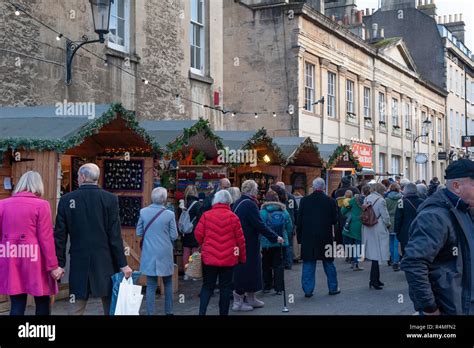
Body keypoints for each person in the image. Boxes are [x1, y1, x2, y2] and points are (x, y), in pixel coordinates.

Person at [55, 164, 132, 315]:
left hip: (79, 259)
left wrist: (59, 263)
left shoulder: (66, 200)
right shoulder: (110, 199)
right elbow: (115, 235)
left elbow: (60, 236)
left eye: (78, 176)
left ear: (82, 177)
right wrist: (123, 264)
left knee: (76, 305)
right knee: (110, 305)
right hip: (105, 260)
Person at [401, 159, 474, 315]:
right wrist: (429, 308)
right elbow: (414, 263)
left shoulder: (464, 208)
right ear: (456, 186)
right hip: (450, 307)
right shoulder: (435, 216)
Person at [0, 171, 63, 316]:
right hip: (35, 260)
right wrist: (53, 266)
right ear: (38, 185)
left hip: (11, 257)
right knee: (42, 301)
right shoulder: (41, 205)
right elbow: (46, 238)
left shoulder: (2, 204)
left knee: (16, 303)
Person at [232, 180, 283, 311]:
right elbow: (259, 224)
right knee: (247, 269)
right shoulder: (250, 204)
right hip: (247, 242)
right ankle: (238, 302)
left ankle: (251, 298)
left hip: (241, 241)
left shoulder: (238, 202)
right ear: (252, 190)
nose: (257, 190)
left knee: (250, 269)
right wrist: (275, 237)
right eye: (256, 188)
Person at [195, 190, 246, 316]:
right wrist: (241, 257)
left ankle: (202, 313)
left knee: (207, 286)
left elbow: (198, 235)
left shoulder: (207, 215)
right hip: (229, 259)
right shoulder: (233, 217)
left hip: (209, 258)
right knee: (225, 288)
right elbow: (240, 241)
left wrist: (205, 243)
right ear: (229, 201)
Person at [136, 187, 178, 315]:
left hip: (149, 252)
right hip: (165, 252)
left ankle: (150, 312)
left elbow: (139, 232)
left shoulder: (143, 212)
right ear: (164, 199)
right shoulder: (170, 214)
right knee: (168, 283)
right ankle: (169, 311)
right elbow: (174, 236)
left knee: (151, 285)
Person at [297, 178, 340, 298]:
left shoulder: (304, 201)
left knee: (309, 263)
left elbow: (299, 221)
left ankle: (308, 290)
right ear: (324, 187)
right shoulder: (330, 201)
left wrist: (300, 239)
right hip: (325, 236)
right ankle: (333, 287)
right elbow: (334, 220)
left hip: (308, 237)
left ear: (313, 187)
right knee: (328, 263)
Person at [260, 190, 293, 295]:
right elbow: (289, 227)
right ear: (277, 199)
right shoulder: (284, 211)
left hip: (266, 243)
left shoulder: (262, 212)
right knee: (278, 265)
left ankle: (266, 286)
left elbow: (260, 228)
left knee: (266, 265)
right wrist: (286, 237)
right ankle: (279, 288)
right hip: (281, 242)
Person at [362, 183, 391, 290]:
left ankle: (374, 279)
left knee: (374, 254)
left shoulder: (366, 199)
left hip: (368, 227)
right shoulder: (381, 200)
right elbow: (385, 216)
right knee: (378, 254)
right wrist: (388, 225)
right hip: (378, 227)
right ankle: (374, 280)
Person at [341, 185, 369, 271]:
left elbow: (343, 210)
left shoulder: (353, 200)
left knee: (350, 243)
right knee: (358, 244)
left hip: (352, 223)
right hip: (364, 223)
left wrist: (350, 214)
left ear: (361, 191)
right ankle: (356, 263)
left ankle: (352, 261)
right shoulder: (369, 201)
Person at [394, 183, 424, 257]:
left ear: (406, 191)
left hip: (405, 231)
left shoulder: (401, 202)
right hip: (419, 229)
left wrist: (396, 231)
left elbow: (398, 218)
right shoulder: (422, 201)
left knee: (405, 252)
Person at [274, 182, 298, 269]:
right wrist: (295, 222)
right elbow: (296, 210)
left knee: (281, 243)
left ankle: (282, 262)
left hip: (280, 222)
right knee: (289, 244)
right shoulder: (291, 196)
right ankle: (289, 262)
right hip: (290, 221)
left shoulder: (278, 197)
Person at [180, 185, 201, 280]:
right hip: (194, 230)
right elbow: (200, 217)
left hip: (185, 231)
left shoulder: (182, 203)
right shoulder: (197, 204)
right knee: (194, 252)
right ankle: (193, 274)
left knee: (186, 251)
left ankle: (186, 273)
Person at [385, 183, 403, 271]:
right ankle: (396, 261)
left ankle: (392, 259)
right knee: (396, 243)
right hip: (397, 220)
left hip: (389, 221)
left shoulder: (387, 199)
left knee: (390, 243)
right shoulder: (401, 199)